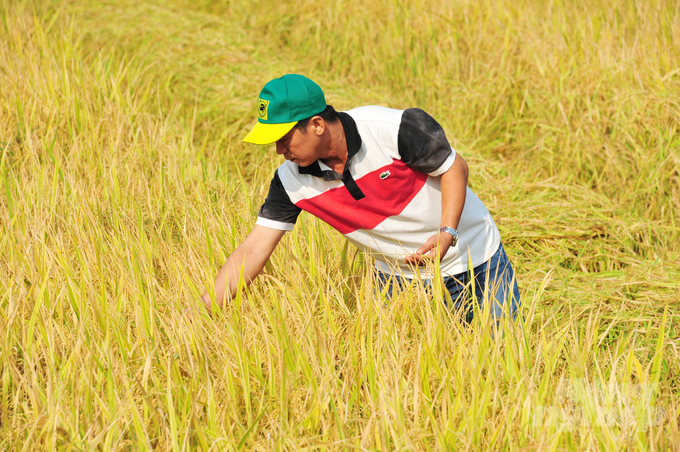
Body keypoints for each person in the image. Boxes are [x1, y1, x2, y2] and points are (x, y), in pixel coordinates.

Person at [199, 74, 520, 322]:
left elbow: (454, 167)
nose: (279, 151)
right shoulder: (290, 181)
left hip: (475, 258)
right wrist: (200, 314)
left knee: (502, 359)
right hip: (398, 279)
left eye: (283, 139)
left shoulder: (389, 129)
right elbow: (253, 248)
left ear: (316, 125)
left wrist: (448, 232)